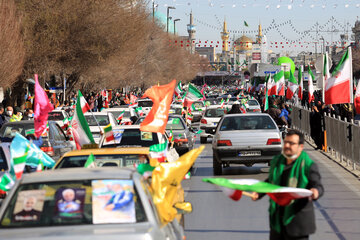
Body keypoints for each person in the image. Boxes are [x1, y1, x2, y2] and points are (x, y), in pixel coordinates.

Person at [252, 129, 324, 240]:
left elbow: (317, 185)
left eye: (292, 143)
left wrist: (315, 192)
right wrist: (259, 193)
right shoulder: (277, 162)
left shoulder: (307, 165)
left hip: (297, 222)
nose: (287, 145)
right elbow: (270, 181)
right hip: (277, 220)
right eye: (286, 142)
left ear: (300, 147)